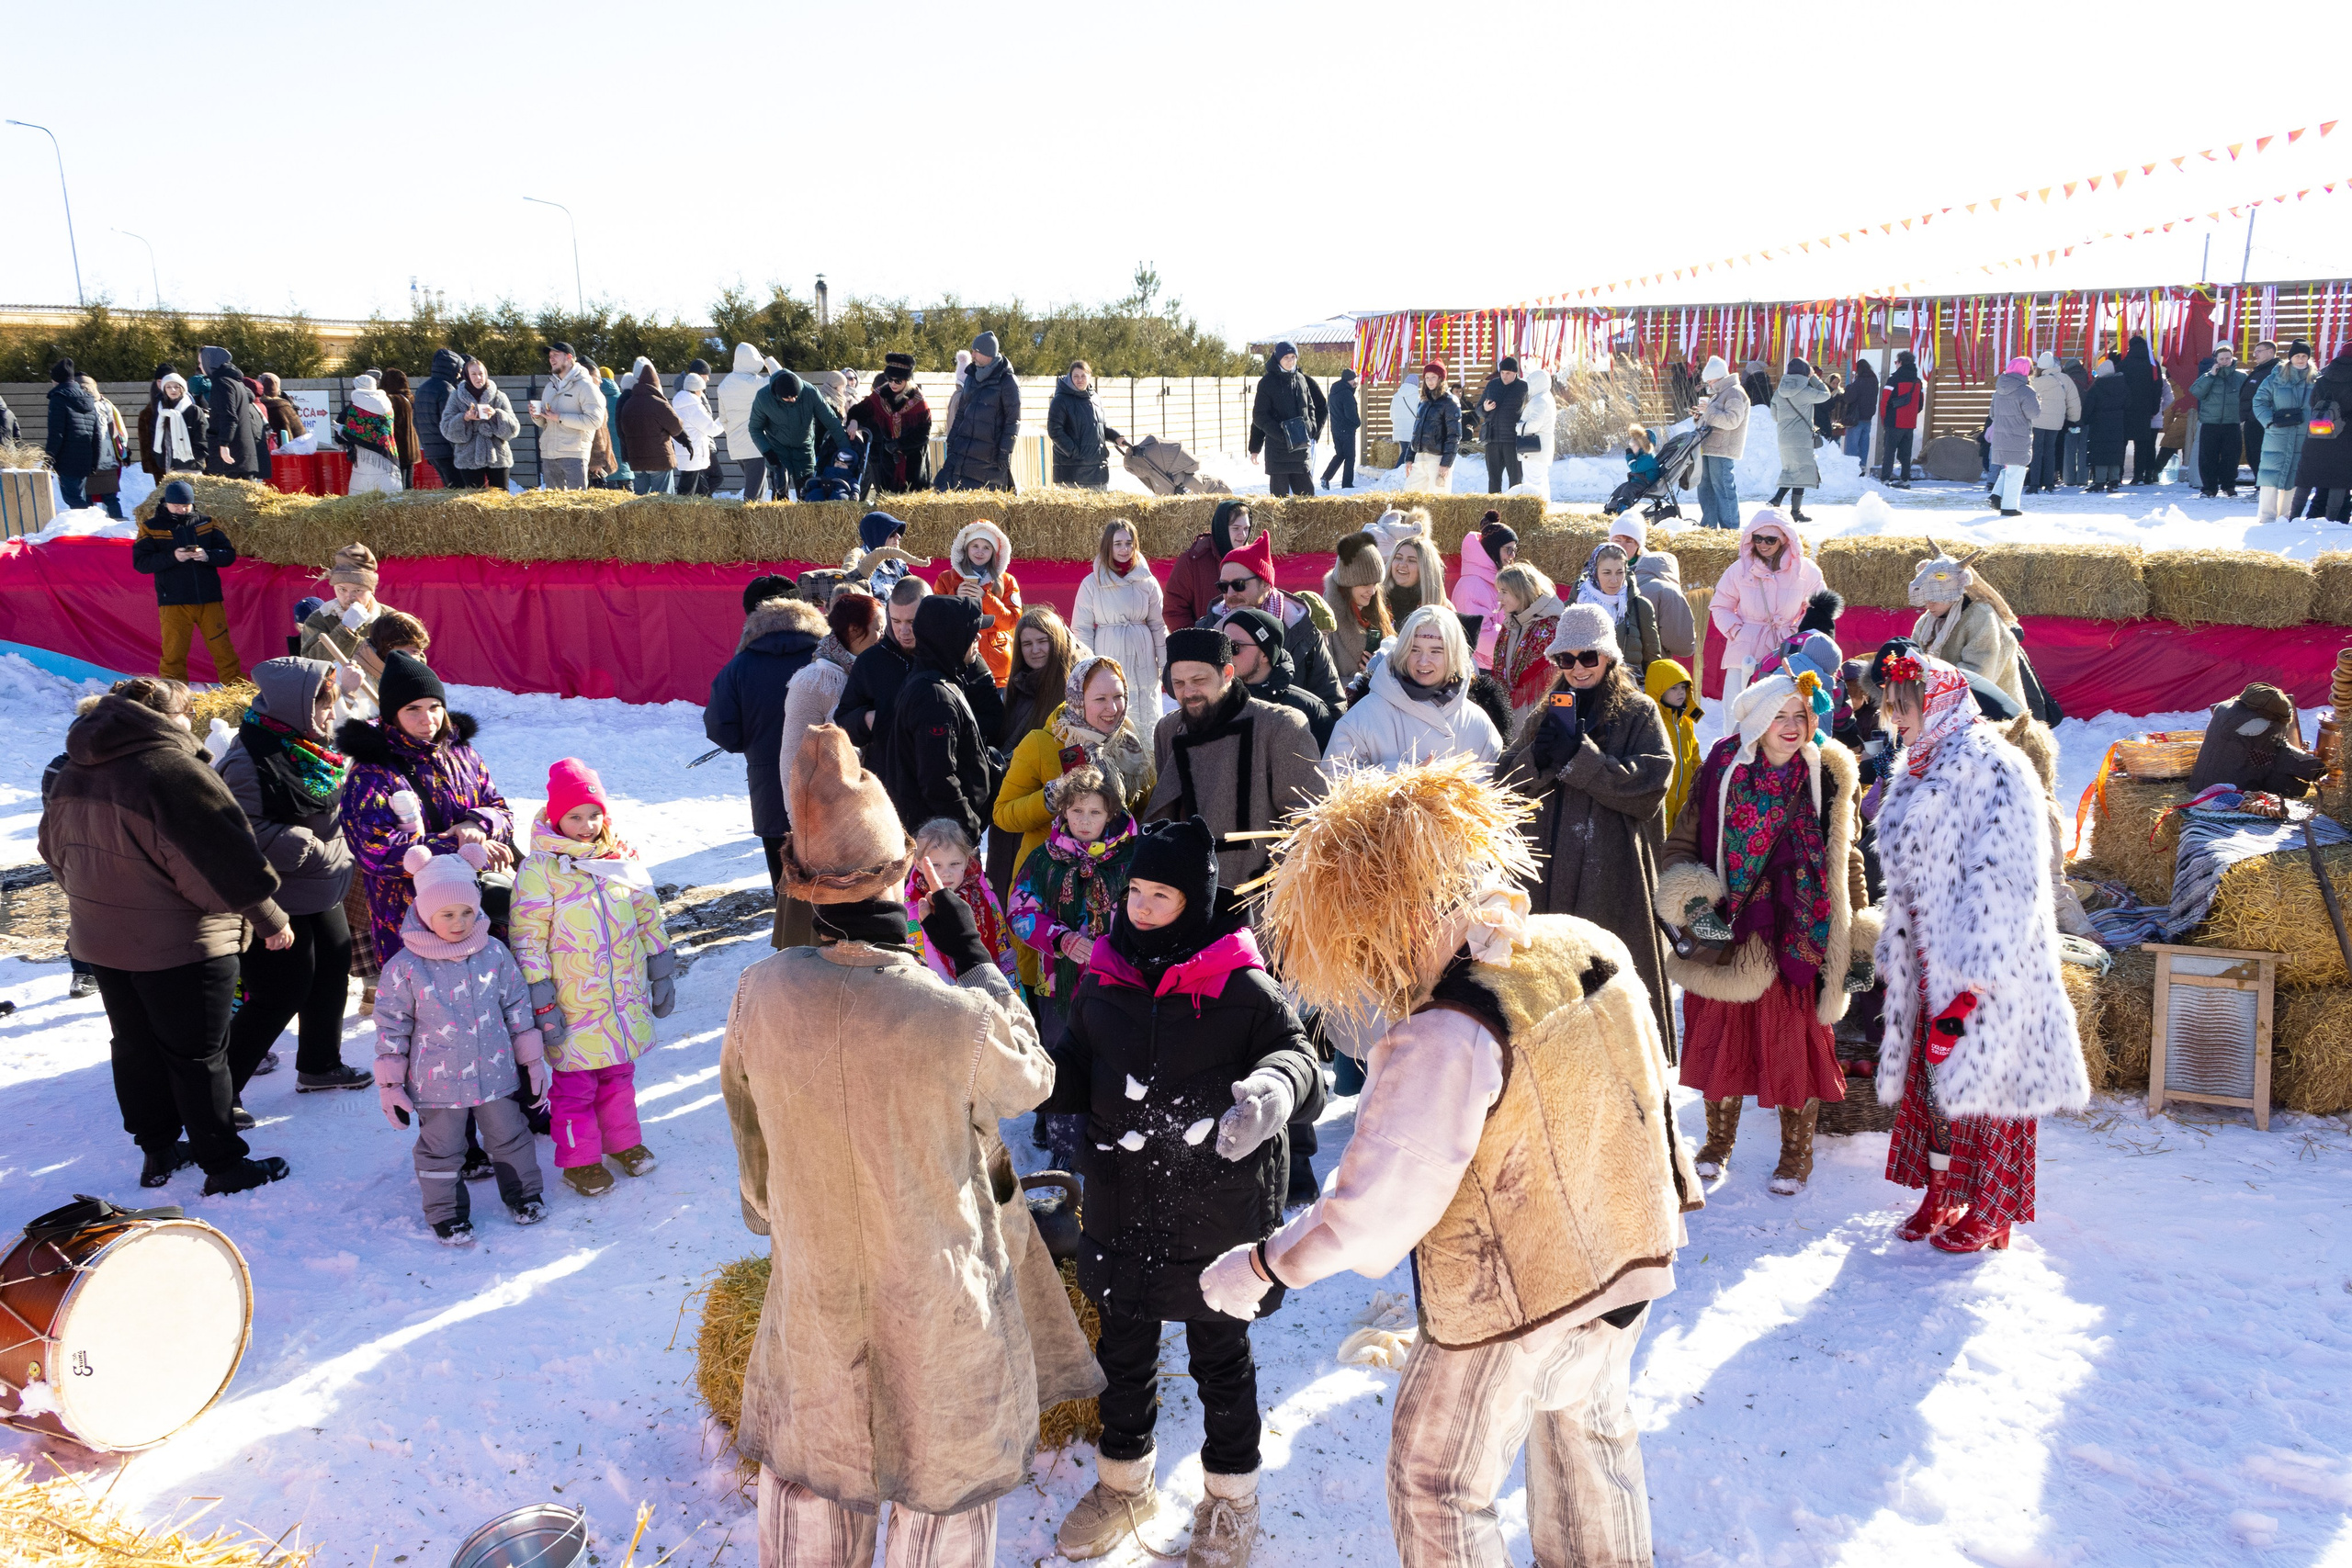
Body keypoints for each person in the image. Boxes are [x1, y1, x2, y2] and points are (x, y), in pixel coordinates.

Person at [1204, 756, 1699, 1568]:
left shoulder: (1446, 1030)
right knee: (1590, 1441)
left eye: (1364, 943)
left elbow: (1373, 1212)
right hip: (1627, 1262)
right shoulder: (1585, 941)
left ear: (1394, 916)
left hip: (1510, 1301)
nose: (1371, 972)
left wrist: (1263, 1264)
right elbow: (1651, 1098)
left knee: (1437, 1483)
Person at [721, 724, 1100, 1568]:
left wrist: (780, 1214)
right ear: (908, 877)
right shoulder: (952, 1015)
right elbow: (1034, 1077)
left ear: (805, 886)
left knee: (816, 1470)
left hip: (817, 1285)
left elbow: (752, 1146)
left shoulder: (760, 991)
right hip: (937, 1294)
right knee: (945, 1486)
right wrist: (969, 951)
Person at [1042, 816, 1321, 1568]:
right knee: (1123, 1352)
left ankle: (1231, 1497)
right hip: (1121, 1202)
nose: (1139, 906)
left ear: (1193, 902)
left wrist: (1273, 1091)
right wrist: (1033, 1074)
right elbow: (1074, 1064)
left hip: (1213, 1214)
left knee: (1219, 1359)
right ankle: (1123, 1483)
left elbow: (1301, 1059)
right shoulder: (1104, 978)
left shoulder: (1241, 984)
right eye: (1134, 890)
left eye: (1159, 896)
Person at [40, 677, 293, 1195]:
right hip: (181, 945)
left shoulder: (75, 768)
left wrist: (100, 903)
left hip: (103, 940)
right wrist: (270, 918)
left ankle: (158, 1151)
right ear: (164, 717)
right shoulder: (171, 769)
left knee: (135, 1047)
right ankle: (224, 1166)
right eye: (187, 712)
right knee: (198, 1057)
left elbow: (53, 852)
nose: (192, 721)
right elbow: (223, 867)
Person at [1871, 650, 2086, 1252]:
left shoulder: (1997, 766)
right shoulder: (1918, 763)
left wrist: (1977, 973)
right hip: (1929, 953)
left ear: (1936, 703)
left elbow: (2009, 878)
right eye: (1891, 706)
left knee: (1991, 1085)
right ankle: (1941, 1192)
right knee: (1935, 1082)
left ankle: (1993, 1208)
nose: (1895, 717)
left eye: (1905, 706)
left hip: (1988, 961)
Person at [1655, 663, 1871, 1197]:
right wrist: (1695, 907)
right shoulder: (1722, 768)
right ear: (1756, 720)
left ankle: (1796, 1154)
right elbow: (1682, 844)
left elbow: (1848, 857)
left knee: (1793, 1041)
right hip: (1732, 930)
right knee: (1723, 1036)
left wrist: (1860, 941)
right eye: (1780, 715)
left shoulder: (1828, 774)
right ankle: (1716, 1144)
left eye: (1801, 715)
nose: (1793, 726)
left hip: (1801, 928)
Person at [1494, 601, 1677, 1046]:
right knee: (1549, 1003)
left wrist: (1581, 760)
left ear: (1609, 656)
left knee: (1613, 1003)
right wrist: (1536, 758)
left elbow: (1651, 784)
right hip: (1547, 876)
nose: (1577, 668)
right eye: (1566, 658)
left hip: (1611, 878)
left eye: (1588, 656)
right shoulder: (1546, 712)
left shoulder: (1638, 712)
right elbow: (1504, 785)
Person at [509, 759, 673, 1198]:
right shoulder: (540, 870)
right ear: (556, 818)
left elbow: (647, 914)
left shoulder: (621, 858)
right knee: (576, 1084)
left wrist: (660, 966)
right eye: (575, 817)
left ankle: (623, 1142)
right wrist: (540, 995)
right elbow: (527, 936)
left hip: (622, 998)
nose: (587, 826)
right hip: (572, 999)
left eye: (594, 814)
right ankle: (579, 1160)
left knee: (619, 1075)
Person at [374, 851, 548, 1242]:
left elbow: (516, 1007)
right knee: (441, 1149)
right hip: (436, 1085)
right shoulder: (404, 967)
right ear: (425, 914)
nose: (459, 923)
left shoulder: (494, 953)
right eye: (447, 914)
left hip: (496, 1074)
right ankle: (447, 1214)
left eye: (467, 912)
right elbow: (391, 1027)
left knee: (510, 1136)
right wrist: (391, 1084)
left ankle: (525, 1195)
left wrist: (531, 1061)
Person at [218, 658, 367, 1098]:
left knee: (331, 973)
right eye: (323, 705)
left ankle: (320, 1064)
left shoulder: (310, 747)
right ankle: (219, 1094)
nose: (330, 714)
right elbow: (237, 831)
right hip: (279, 897)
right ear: (295, 705)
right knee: (279, 995)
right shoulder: (250, 759)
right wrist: (311, 849)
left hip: (323, 887)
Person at [338, 652, 516, 973]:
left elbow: (501, 811)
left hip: (473, 911)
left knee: (484, 994)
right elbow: (375, 851)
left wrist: (477, 823)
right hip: (410, 918)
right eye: (413, 710)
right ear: (392, 714)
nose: (427, 720)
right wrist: (459, 845)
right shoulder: (371, 772)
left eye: (434, 707)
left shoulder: (462, 753)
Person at [993, 652, 1155, 987]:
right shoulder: (1042, 743)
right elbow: (1004, 814)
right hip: (1050, 891)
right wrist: (1051, 796)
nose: (1112, 708)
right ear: (1078, 699)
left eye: (1118, 696)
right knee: (1053, 993)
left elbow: (1142, 814)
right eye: (1100, 699)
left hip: (1111, 896)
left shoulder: (1130, 745)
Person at [1144, 628, 1323, 901]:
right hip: (1188, 898)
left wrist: (1271, 886)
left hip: (1259, 901)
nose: (1188, 692)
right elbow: (1166, 816)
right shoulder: (1168, 729)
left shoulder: (1279, 725)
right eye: (1178, 683)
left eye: (1199, 680)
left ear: (1228, 673)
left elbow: (1308, 820)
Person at [774, 591, 884, 949]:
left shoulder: (847, 670)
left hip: (836, 807)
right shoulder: (821, 679)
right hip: (821, 812)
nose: (882, 636)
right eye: (877, 628)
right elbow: (802, 756)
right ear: (854, 631)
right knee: (824, 907)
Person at [706, 590, 827, 895]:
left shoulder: (739, 666)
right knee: (832, 876)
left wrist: (755, 744)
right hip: (828, 783)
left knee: (784, 882)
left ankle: (789, 923)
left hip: (770, 788)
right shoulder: (827, 659)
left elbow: (721, 728)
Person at [835, 577, 1007, 767]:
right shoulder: (870, 661)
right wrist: (869, 719)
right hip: (888, 776)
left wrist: (944, 731)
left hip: (951, 771)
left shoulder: (964, 657)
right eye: (896, 621)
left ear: (931, 614)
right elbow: (843, 721)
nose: (903, 631)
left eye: (912, 621)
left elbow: (995, 721)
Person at [878, 596, 999, 844]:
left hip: (940, 835)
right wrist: (968, 829)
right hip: (943, 841)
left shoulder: (935, 681)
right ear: (951, 637)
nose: (979, 637)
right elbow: (938, 780)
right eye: (971, 633)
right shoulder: (934, 696)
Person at [1324, 605, 1499, 773]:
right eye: (1414, 650)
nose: (1423, 661)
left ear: (1454, 656)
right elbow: (1333, 775)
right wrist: (1400, 777)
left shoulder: (1478, 724)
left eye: (1436, 652)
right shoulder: (1365, 716)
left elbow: (1491, 784)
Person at [986, 606, 1080, 899]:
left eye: (1042, 641)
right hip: (1014, 802)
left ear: (1057, 642)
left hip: (1047, 810)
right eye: (1027, 643)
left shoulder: (1072, 692)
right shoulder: (1018, 687)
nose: (1035, 650)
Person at [1196, 532, 1345, 710]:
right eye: (1223, 586)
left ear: (1266, 584)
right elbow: (1177, 686)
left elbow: (1333, 702)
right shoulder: (1209, 626)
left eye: (1239, 585)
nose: (1230, 594)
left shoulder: (1302, 630)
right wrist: (1213, 636)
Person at [133, 479, 243, 682]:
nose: (182, 510)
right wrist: (173, 557)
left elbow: (228, 554)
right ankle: (172, 694)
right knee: (173, 654)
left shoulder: (206, 522)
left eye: (186, 505)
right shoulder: (150, 527)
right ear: (166, 503)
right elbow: (141, 563)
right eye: (177, 505)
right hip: (174, 601)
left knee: (224, 650)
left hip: (209, 598)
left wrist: (207, 555)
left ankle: (236, 689)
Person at [1710, 511, 1826, 704]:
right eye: (1758, 538)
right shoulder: (1739, 569)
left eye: (1770, 539)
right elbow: (1720, 605)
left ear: (1784, 539)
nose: (1763, 544)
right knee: (1738, 710)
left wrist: (1796, 633)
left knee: (1782, 709)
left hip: (1787, 651)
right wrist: (1737, 631)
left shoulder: (1806, 570)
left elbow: (1820, 610)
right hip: (1744, 652)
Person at [899, 817, 1019, 987]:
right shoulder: (909, 908)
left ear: (967, 860)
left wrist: (1012, 990)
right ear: (918, 865)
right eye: (936, 865)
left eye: (954, 863)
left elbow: (1004, 952)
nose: (946, 873)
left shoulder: (985, 900)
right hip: (931, 996)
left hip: (982, 992)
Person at [1907, 542, 2027, 708]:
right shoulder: (1928, 621)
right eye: (1926, 598)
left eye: (1935, 598)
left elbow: (1978, 675)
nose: (1929, 604)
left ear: (1953, 595)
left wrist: (1930, 682)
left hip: (1988, 711)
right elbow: (1914, 655)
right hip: (1939, 705)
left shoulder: (1981, 617)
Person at [1072, 517, 1165, 698]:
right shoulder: (1091, 584)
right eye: (1118, 544)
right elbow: (1082, 629)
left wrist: (1165, 662)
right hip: (1109, 654)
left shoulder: (1148, 582)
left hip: (1144, 658)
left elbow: (1158, 624)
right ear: (1108, 546)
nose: (1125, 549)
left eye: (1129, 543)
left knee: (1145, 705)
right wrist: (1087, 666)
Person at [1225, 605, 1339, 750]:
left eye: (1234, 646)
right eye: (1223, 646)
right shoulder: (1212, 702)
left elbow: (1328, 762)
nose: (1226, 654)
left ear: (1265, 654)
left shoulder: (1308, 709)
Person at [1595, 515, 1697, 663]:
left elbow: (1679, 642)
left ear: (1639, 545)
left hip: (1644, 665)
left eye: (1629, 541)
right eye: (1617, 540)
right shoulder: (1591, 577)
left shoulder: (1657, 586)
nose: (1622, 546)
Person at [933, 519, 1023, 683]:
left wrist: (985, 597)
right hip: (956, 663)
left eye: (986, 547)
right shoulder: (945, 579)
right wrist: (956, 597)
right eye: (975, 546)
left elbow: (1012, 621)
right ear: (966, 547)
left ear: (994, 552)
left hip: (996, 667)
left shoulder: (1007, 581)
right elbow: (937, 620)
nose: (980, 552)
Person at [749, 366, 851, 501]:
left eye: (795, 396)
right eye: (788, 398)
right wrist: (769, 454)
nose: (793, 400)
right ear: (778, 395)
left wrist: (847, 449)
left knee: (807, 496)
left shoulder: (810, 392)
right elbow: (755, 428)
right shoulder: (763, 398)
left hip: (804, 451)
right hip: (778, 452)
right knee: (780, 496)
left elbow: (831, 421)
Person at [939, 331, 1022, 491]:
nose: (972, 355)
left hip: (990, 457)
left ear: (988, 353)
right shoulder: (971, 376)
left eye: (976, 351)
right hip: (965, 452)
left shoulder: (1007, 381)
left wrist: (1005, 451)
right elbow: (961, 413)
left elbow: (1013, 420)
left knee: (986, 500)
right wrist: (952, 439)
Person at [1490, 561, 1564, 739]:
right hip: (1509, 719)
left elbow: (1553, 686)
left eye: (1504, 592)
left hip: (1536, 724)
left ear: (1521, 592)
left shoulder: (1552, 628)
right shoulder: (1510, 625)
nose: (1499, 598)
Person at [1575, 541, 1663, 689]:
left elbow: (1653, 658)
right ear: (1595, 572)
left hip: (1628, 689)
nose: (1614, 580)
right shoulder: (1577, 603)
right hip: (1586, 689)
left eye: (1619, 572)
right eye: (1607, 573)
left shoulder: (1640, 606)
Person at [845, 352, 932, 495]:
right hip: (888, 461)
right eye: (890, 379)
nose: (893, 384)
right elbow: (859, 410)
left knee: (913, 501)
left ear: (907, 380)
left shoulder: (919, 400)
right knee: (888, 500)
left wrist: (899, 445)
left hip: (914, 462)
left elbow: (924, 434)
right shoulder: (881, 394)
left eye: (898, 381)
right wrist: (853, 420)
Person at [1249, 340, 1327, 497]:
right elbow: (1260, 416)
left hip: (1301, 451)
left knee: (1307, 500)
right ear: (1278, 358)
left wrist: (1311, 428)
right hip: (1278, 452)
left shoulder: (1302, 380)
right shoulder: (1267, 383)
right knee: (1280, 503)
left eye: (1293, 357)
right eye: (1286, 357)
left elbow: (1311, 407)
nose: (1290, 361)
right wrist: (1257, 447)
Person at [1165, 500, 1256, 632]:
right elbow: (1174, 609)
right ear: (1222, 528)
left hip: (1245, 640)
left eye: (1246, 528)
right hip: (1205, 640)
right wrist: (1196, 638)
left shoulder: (1253, 560)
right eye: (1236, 528)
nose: (1242, 535)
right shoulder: (1193, 561)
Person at [2253, 341, 2315, 522]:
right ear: (2291, 357)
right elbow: (2259, 401)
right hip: (2277, 434)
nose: (2301, 359)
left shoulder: (2315, 380)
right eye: (2297, 356)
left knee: (2295, 475)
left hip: (2303, 434)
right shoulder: (2275, 378)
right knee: (2270, 475)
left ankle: (2286, 516)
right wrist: (2269, 422)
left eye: (2304, 356)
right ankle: (2266, 517)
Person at [530, 342, 605, 491]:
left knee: (576, 504)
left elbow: (595, 421)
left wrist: (560, 417)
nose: (551, 359)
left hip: (574, 455)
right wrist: (537, 416)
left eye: (556, 355)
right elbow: (544, 423)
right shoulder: (549, 387)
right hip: (549, 456)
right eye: (550, 356)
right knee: (554, 504)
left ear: (569, 357)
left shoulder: (587, 387)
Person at [1762, 358, 1829, 521]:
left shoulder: (1779, 392)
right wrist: (1814, 378)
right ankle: (1789, 507)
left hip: (1784, 437)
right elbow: (1826, 395)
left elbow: (1774, 416)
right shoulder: (1806, 391)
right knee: (1802, 471)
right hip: (1802, 437)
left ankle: (1784, 503)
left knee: (1791, 469)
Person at [438, 357, 520, 490]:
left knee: (501, 497)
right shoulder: (456, 397)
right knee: (474, 499)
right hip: (468, 456)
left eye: (481, 373)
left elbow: (513, 429)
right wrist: (464, 418)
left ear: (486, 374)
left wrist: (496, 415)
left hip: (497, 455)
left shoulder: (499, 396)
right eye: (474, 374)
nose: (478, 377)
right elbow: (446, 428)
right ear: (467, 376)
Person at [1321, 529, 1391, 681]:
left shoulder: (1377, 610)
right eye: (1365, 584)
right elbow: (1324, 682)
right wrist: (1365, 680)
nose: (1372, 591)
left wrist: (1381, 670)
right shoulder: (1325, 621)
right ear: (1347, 583)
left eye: (1375, 583)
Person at [1046, 359, 1126, 488]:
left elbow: (1100, 426)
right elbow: (1054, 430)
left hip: (1098, 473)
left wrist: (1116, 437)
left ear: (1090, 377)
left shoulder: (1095, 398)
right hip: (1072, 474)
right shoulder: (1060, 400)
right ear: (1070, 377)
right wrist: (1075, 453)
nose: (1080, 380)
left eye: (1083, 376)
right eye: (1076, 376)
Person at [2295, 346, 2352, 524]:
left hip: (2318, 435)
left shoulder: (2324, 376)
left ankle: (2293, 518)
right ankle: (2332, 521)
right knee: (2339, 480)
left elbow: (2312, 402)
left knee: (2307, 478)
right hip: (2345, 437)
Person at [1646, 656, 1703, 829]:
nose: (1681, 692)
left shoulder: (1685, 721)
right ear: (1658, 691)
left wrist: (1699, 779)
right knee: (1660, 835)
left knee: (1680, 835)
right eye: (1674, 688)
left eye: (1683, 687)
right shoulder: (1651, 723)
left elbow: (1694, 755)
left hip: (1684, 797)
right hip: (1661, 799)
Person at [1693, 355, 1750, 527]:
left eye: (1710, 381)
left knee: (1723, 488)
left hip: (1722, 449)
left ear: (1718, 377)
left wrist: (1709, 411)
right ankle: (1708, 526)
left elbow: (1732, 421)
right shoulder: (1720, 394)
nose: (1709, 385)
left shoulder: (1734, 392)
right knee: (1705, 487)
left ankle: (1730, 529)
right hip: (1710, 447)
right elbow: (1714, 418)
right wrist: (1699, 418)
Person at [2188, 344, 2251, 499]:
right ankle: (2209, 488)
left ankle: (2229, 486)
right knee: (2208, 457)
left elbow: (2248, 397)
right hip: (2210, 423)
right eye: (2221, 359)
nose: (2224, 361)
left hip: (2232, 423)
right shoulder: (2207, 376)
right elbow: (2196, 392)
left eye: (2227, 358)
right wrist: (2211, 376)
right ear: (2216, 359)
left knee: (2231, 457)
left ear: (2232, 359)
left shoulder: (2241, 376)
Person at [612, 365, 684, 495]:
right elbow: (676, 426)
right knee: (663, 498)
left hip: (636, 458)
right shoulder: (658, 403)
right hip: (659, 458)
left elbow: (622, 430)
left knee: (641, 498)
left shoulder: (628, 403)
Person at [1453, 513, 1513, 667]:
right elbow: (1481, 636)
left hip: (1494, 662)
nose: (1512, 555)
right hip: (1480, 667)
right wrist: (1516, 641)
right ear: (1493, 549)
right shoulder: (1473, 585)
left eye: (1514, 550)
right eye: (1508, 550)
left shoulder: (1491, 579)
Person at [1983, 356, 2039, 516]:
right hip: (2019, 436)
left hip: (2001, 436)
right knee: (2017, 471)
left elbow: (1992, 414)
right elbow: (2034, 413)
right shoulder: (2026, 391)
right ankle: (2009, 507)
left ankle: (1996, 496)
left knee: (2010, 469)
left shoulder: (1999, 390)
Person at [198, 346, 266, 480]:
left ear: (209, 362)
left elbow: (229, 416)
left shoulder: (222, 383)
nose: (200, 366)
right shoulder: (235, 382)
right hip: (242, 455)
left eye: (201, 362)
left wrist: (224, 444)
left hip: (230, 458)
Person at [72, 375, 131, 522]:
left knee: (87, 498)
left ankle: (89, 527)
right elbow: (117, 432)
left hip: (85, 459)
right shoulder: (106, 404)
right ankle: (118, 525)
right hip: (107, 458)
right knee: (110, 497)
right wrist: (123, 452)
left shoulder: (75, 406)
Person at [716, 344, 772, 498]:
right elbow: (782, 377)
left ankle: (759, 512)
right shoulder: (757, 383)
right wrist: (769, 360)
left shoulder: (724, 385)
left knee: (760, 487)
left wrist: (734, 435)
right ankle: (747, 514)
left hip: (736, 447)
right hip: (756, 445)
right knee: (753, 494)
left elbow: (723, 419)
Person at [44, 358, 101, 510]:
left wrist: (47, 460)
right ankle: (88, 521)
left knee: (73, 499)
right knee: (78, 496)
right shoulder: (89, 399)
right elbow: (97, 434)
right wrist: (94, 461)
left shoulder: (58, 399)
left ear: (55, 380)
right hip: (85, 458)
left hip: (66, 460)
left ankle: (94, 518)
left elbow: (56, 434)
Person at [337, 374, 406, 494]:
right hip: (387, 449)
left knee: (365, 485)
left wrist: (340, 429)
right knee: (388, 484)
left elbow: (353, 431)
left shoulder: (358, 404)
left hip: (366, 455)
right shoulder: (385, 401)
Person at [411, 348, 467, 488]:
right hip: (448, 451)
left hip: (432, 451)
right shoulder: (447, 389)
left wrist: (427, 447)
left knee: (450, 487)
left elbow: (416, 421)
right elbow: (450, 425)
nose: (460, 374)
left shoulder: (422, 388)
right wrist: (460, 451)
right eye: (459, 370)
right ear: (451, 368)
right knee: (459, 491)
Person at [139, 369, 208, 483]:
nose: (173, 390)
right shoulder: (161, 412)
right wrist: (159, 457)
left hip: (192, 466)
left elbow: (202, 437)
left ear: (183, 388)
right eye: (168, 387)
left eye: (176, 386)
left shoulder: (193, 410)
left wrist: (194, 456)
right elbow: (154, 435)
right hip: (169, 465)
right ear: (164, 390)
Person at [2027, 352, 2081, 494]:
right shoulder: (2064, 379)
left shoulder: (2034, 381)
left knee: (2036, 452)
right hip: (2056, 421)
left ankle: (2034, 484)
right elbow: (2073, 401)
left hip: (2037, 420)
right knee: (2050, 451)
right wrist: (2073, 419)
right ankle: (2049, 483)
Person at [1404, 361, 1461, 491]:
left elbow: (1454, 435)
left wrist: (1446, 463)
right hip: (1420, 458)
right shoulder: (1423, 402)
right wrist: (1409, 458)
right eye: (1427, 377)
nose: (1430, 381)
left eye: (1433, 377)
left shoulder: (1450, 402)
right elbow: (1416, 432)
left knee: (1437, 499)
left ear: (1441, 379)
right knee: (1410, 494)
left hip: (1438, 459)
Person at [1476, 357, 1530, 493]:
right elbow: (1478, 409)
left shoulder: (1523, 387)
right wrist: (1485, 409)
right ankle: (1494, 505)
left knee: (1515, 479)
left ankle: (1515, 504)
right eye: (1502, 373)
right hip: (1492, 438)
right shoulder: (1492, 385)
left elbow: (1530, 411)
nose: (1504, 376)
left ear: (1515, 373)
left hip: (1512, 439)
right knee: (1493, 479)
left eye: (1508, 373)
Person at [669, 368, 725, 495]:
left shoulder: (679, 405)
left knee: (697, 490)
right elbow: (711, 429)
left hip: (686, 452)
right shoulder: (694, 407)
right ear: (697, 389)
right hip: (694, 453)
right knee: (687, 492)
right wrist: (724, 420)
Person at [2083, 355, 2133, 492]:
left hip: (2099, 424)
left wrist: (2084, 420)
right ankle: (2114, 480)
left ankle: (2100, 481)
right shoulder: (2122, 385)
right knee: (2115, 452)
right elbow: (2128, 403)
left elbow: (2088, 407)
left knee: (2101, 452)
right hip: (2118, 423)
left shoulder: (2097, 387)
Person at [1384, 526, 1451, 631]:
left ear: (1426, 569)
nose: (1402, 564)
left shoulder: (1442, 610)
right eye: (1398, 558)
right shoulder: (1375, 599)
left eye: (1411, 560)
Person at [1876, 350, 1924, 487]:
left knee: (1889, 452)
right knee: (1906, 454)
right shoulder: (1917, 381)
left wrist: (1884, 418)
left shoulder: (1894, 380)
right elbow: (1920, 403)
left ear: (1901, 363)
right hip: (1910, 423)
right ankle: (1905, 479)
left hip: (1894, 421)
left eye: (1896, 362)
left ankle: (1885, 479)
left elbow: (1884, 401)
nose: (1895, 364)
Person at [2120, 333, 2163, 484]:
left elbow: (2120, 387)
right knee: (2142, 444)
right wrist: (2154, 409)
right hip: (2145, 409)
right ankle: (2139, 475)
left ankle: (2118, 475)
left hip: (2126, 409)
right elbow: (2158, 388)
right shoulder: (2153, 364)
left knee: (2122, 443)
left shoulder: (2124, 364)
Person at [2242, 339, 2280, 487]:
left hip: (2264, 421)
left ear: (2270, 352)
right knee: (2252, 454)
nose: (2255, 354)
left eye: (2259, 351)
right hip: (2252, 420)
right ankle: (2260, 486)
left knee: (2262, 454)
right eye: (2255, 352)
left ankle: (2265, 487)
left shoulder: (2276, 371)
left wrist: (2257, 415)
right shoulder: (2259, 370)